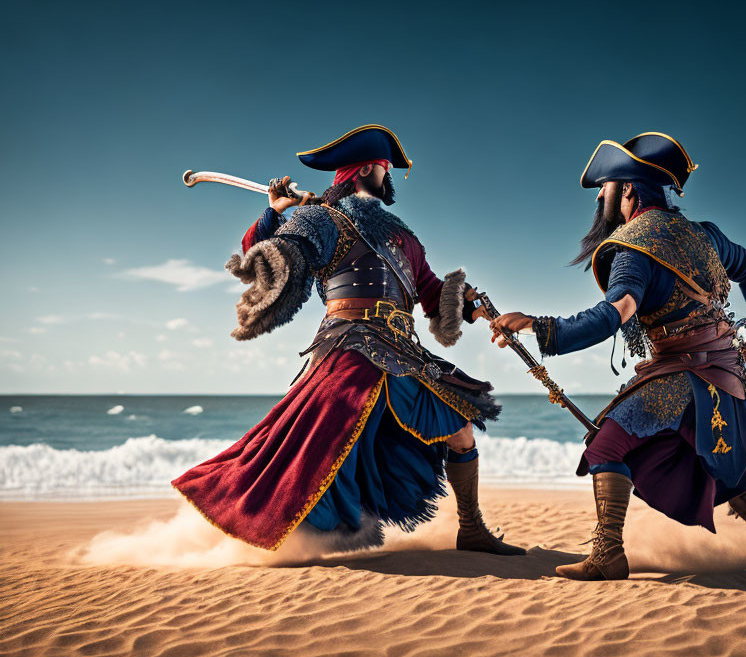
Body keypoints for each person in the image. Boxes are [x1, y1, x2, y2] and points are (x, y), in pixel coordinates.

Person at [174, 125, 524, 556]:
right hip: (348, 347)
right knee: (319, 444)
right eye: (382, 167)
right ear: (364, 170)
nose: (387, 174)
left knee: (460, 425)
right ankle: (272, 529)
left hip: (403, 351)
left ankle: (471, 529)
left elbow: (432, 294)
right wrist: (275, 214)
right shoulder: (319, 217)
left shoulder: (404, 239)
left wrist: (469, 304)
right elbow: (267, 254)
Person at [490, 132, 746, 580]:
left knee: (606, 444)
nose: (600, 196)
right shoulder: (704, 234)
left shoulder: (633, 245)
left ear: (628, 190)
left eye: (605, 188)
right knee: (717, 455)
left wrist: (538, 325)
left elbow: (617, 312)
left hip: (683, 374)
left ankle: (608, 554)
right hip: (728, 372)